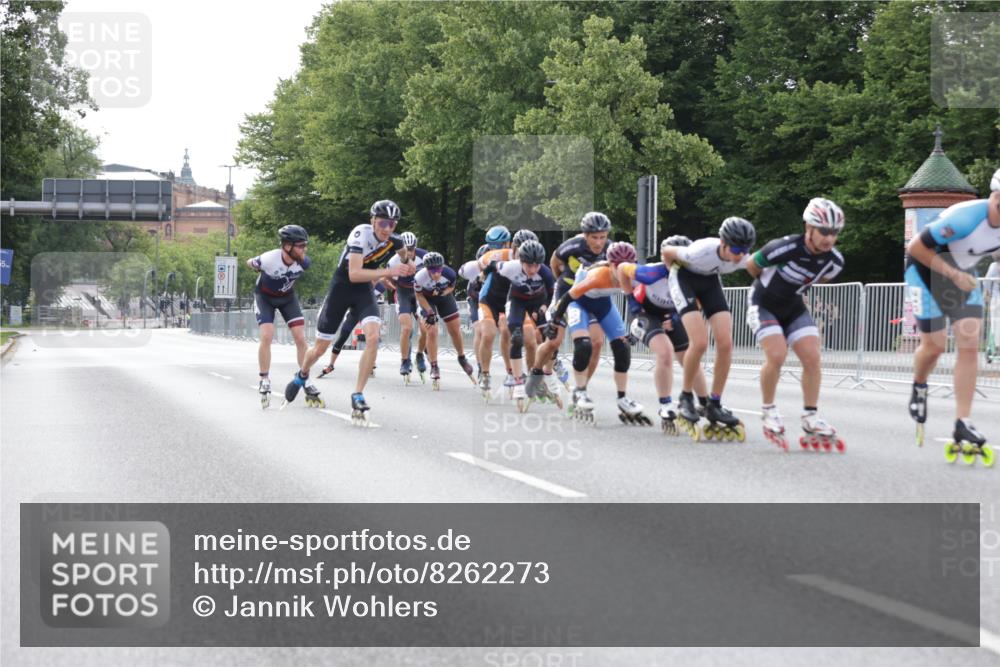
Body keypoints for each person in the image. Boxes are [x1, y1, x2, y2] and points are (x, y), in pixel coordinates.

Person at [283, 199, 414, 424]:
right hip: (342, 288)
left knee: (373, 337)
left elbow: (405, 255)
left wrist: (408, 263)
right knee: (320, 348)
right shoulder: (360, 234)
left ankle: (358, 394)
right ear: (373, 221)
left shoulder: (395, 240)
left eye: (392, 224)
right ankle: (302, 373)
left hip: (363, 291)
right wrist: (389, 271)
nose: (387, 229)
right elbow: (354, 273)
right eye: (383, 223)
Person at [904, 167, 1000, 465]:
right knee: (934, 346)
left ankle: (962, 421)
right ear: (994, 196)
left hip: (962, 275)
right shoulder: (966, 217)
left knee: (970, 345)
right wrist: (953, 275)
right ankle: (919, 384)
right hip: (925, 269)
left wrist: (960, 276)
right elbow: (915, 247)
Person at [745, 198, 847, 452]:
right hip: (763, 303)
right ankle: (769, 410)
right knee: (777, 354)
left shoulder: (834, 261)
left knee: (812, 356)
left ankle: (811, 416)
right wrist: (768, 286)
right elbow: (752, 265)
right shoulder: (783, 247)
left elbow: (820, 280)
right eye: (824, 231)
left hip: (793, 307)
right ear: (808, 228)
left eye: (834, 232)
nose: (829, 238)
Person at [660, 217, 756, 441]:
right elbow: (666, 251)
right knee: (700, 342)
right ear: (723, 243)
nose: (740, 255)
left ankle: (714, 403)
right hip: (683, 279)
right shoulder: (699, 251)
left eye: (745, 250)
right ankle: (685, 397)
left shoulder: (743, 258)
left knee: (726, 343)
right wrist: (669, 271)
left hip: (709, 282)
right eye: (736, 249)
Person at [542, 240, 651, 426]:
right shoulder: (597, 276)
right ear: (610, 265)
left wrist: (638, 328)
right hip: (579, 303)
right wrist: (555, 320)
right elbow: (567, 297)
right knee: (584, 346)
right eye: (618, 267)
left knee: (623, 347)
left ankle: (622, 398)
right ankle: (579, 392)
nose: (622, 271)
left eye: (627, 266)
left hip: (603, 305)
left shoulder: (635, 276)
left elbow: (642, 306)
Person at [625, 235, 711, 433]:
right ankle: (665, 404)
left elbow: (699, 301)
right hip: (646, 313)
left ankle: (705, 403)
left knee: (689, 359)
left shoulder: (693, 276)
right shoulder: (650, 272)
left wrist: (676, 318)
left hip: (672, 314)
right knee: (665, 353)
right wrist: (631, 301)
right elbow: (621, 271)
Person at [481, 239, 555, 411]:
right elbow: (492, 265)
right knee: (516, 337)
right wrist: (482, 275)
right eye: (529, 265)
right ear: (521, 261)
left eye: (536, 265)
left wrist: (544, 308)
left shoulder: (545, 272)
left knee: (548, 339)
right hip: (517, 301)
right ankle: (517, 381)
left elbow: (551, 294)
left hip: (537, 302)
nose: (533, 270)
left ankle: (538, 375)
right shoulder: (510, 267)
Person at [247, 224, 311, 409]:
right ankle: (264, 379)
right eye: (301, 246)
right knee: (267, 335)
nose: (304, 249)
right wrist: (255, 267)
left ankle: (304, 378)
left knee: (300, 337)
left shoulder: (304, 262)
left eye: (305, 245)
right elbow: (250, 262)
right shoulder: (269, 259)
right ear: (287, 246)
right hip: (265, 298)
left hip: (287, 298)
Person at [547, 212, 612, 386]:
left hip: (591, 295)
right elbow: (554, 262)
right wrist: (560, 280)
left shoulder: (610, 249)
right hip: (567, 290)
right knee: (555, 340)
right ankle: (545, 372)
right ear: (585, 236)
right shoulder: (572, 246)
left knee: (597, 343)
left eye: (602, 237)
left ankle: (581, 389)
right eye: (594, 238)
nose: (598, 243)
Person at [412, 251, 477, 389]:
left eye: (438, 270)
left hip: (443, 297)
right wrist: (429, 312)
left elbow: (451, 287)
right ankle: (434, 366)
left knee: (455, 329)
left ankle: (462, 358)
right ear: (427, 269)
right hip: (426, 299)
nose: (436, 274)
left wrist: (443, 293)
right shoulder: (419, 277)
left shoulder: (449, 273)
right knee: (431, 331)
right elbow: (419, 296)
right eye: (432, 271)